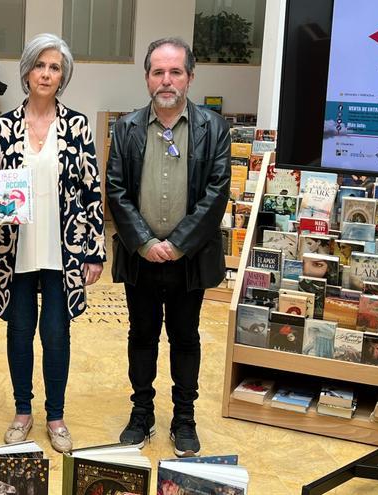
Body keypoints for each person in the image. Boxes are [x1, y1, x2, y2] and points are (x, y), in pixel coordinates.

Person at [0, 33, 105, 453]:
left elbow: (92, 192)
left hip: (62, 248)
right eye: (40, 65)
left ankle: (55, 415)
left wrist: (94, 251)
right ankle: (21, 411)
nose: (47, 74)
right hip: (15, 247)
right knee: (19, 331)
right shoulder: (3, 126)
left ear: (62, 75)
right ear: (27, 71)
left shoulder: (77, 125)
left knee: (55, 333)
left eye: (55, 67)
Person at [106, 37, 230, 457]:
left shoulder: (214, 129)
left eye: (175, 71)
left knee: (185, 336)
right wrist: (143, 242)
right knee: (141, 335)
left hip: (188, 260)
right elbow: (117, 191)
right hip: (140, 258)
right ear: (146, 78)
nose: (166, 80)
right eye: (158, 71)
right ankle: (141, 413)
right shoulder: (126, 129)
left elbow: (217, 194)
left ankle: (184, 418)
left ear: (190, 77)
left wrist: (177, 245)